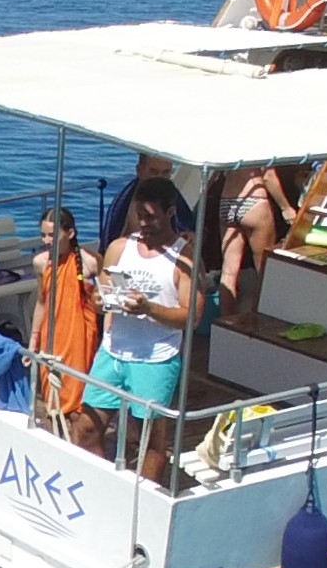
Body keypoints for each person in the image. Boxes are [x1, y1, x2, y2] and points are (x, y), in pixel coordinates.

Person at [74, 172, 204, 487]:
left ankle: (143, 501)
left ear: (170, 212)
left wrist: (149, 309)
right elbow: (100, 297)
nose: (143, 223)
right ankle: (99, 488)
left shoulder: (185, 258)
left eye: (150, 216)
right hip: (113, 352)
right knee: (86, 429)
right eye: (139, 216)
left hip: (155, 359)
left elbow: (192, 317)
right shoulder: (120, 248)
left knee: (149, 440)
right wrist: (102, 301)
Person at [29, 207, 102, 438]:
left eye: (52, 235)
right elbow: (42, 302)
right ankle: (57, 443)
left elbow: (103, 302)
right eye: (43, 235)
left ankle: (79, 444)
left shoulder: (90, 262)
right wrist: (33, 340)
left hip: (80, 338)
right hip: (52, 337)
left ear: (70, 233)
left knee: (78, 400)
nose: (46, 241)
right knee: (53, 399)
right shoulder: (41, 262)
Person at [216, 163, 298, 322]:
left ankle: (226, 322)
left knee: (228, 272)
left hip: (228, 201)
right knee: (264, 268)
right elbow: (268, 176)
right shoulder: (260, 146)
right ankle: (264, 319)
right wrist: (286, 207)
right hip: (253, 200)